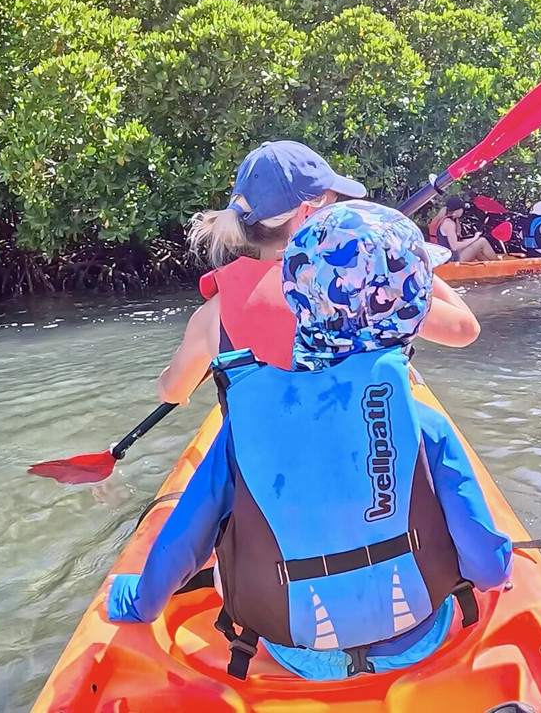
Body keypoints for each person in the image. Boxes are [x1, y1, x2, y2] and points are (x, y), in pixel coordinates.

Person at [106, 200, 514, 681]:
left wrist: (138, 602)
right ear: (413, 311)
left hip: (299, 650)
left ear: (296, 302)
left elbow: (183, 543)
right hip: (417, 635)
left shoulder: (245, 423)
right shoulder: (427, 425)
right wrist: (502, 570)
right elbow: (488, 571)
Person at [157, 141, 481, 405]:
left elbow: (171, 391)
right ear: (306, 213)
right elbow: (465, 330)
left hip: (265, 460)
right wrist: (402, 259)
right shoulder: (357, 285)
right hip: (361, 453)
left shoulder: (213, 313)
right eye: (334, 203)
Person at [434, 195, 498, 263]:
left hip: (450, 256)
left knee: (475, 246)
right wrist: (474, 238)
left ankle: (489, 264)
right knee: (482, 241)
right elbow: (454, 247)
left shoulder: (448, 220)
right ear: (458, 210)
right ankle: (498, 263)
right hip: (452, 259)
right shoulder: (449, 224)